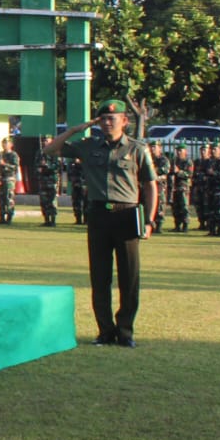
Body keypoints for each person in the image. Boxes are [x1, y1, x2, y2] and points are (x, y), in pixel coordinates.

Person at [44, 98, 156, 348]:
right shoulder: (88, 146)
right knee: (100, 276)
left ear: (125, 121)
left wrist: (149, 219)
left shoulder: (137, 149)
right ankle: (105, 331)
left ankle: (125, 331)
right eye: (103, 119)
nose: (106, 123)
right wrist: (75, 129)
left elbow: (150, 185)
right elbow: (49, 150)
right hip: (98, 215)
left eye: (112, 118)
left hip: (127, 214)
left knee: (129, 276)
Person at [0, 137, 21, 224]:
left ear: (11, 145)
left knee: (8, 198)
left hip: (9, 179)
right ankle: (1, 217)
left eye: (6, 143)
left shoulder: (13, 155)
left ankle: (9, 217)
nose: (4, 145)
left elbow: (15, 167)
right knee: (0, 198)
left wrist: (5, 164)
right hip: (1, 179)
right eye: (3, 143)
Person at [169, 145, 193, 232]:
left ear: (185, 151)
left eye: (180, 150)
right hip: (174, 187)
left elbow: (189, 174)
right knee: (175, 207)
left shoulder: (188, 162)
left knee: (184, 207)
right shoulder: (174, 161)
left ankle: (185, 225)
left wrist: (179, 171)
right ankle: (177, 225)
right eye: (177, 150)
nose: (178, 152)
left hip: (183, 187)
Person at [148, 142, 171, 234]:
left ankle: (159, 226)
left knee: (160, 205)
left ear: (159, 148)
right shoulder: (149, 159)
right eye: (151, 147)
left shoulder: (163, 159)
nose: (152, 149)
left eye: (154, 147)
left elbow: (164, 170)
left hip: (159, 186)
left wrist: (153, 171)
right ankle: (151, 224)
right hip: (149, 186)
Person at [34, 150, 61, 226]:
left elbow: (57, 166)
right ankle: (46, 220)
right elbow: (36, 166)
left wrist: (47, 165)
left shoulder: (54, 153)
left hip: (51, 181)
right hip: (43, 181)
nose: (45, 141)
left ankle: (53, 220)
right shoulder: (40, 153)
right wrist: (39, 168)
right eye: (44, 140)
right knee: (44, 201)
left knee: (52, 200)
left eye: (46, 140)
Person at [68, 156, 87, 224]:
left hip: (84, 185)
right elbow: (69, 173)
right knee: (76, 202)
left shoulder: (85, 161)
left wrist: (80, 164)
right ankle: (78, 219)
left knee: (86, 203)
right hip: (75, 185)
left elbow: (86, 173)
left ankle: (86, 220)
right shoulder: (72, 163)